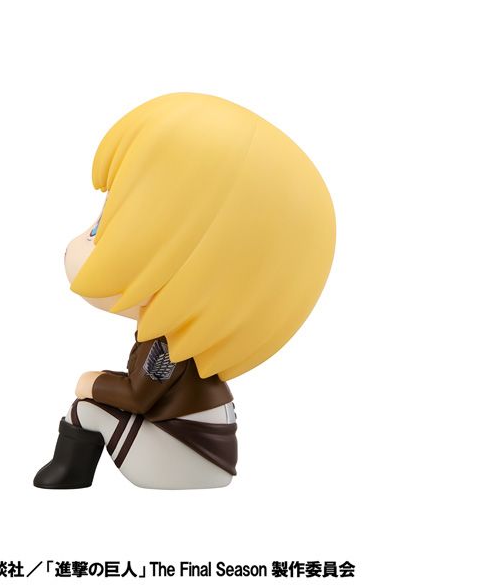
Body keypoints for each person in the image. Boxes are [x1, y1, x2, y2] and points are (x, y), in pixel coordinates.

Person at [33, 92, 336, 489]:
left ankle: (66, 478)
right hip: (194, 451)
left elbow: (139, 398)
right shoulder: (179, 341)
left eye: (104, 228)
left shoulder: (170, 346)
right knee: (94, 400)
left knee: (84, 409)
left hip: (182, 455)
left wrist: (91, 381)